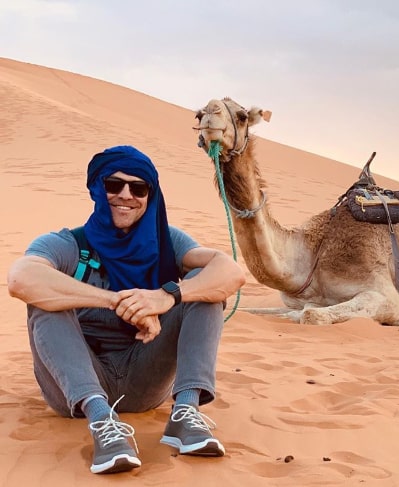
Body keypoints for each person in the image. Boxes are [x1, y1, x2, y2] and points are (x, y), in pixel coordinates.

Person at [7, 145, 246, 474]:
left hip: (143, 379)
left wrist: (166, 297)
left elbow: (230, 272)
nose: (125, 195)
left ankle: (186, 413)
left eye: (138, 188)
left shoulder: (166, 241)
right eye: (114, 185)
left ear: (150, 196)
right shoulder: (69, 244)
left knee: (203, 289)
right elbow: (21, 279)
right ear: (97, 188)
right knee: (46, 298)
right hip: (73, 390)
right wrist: (115, 300)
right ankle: (103, 422)